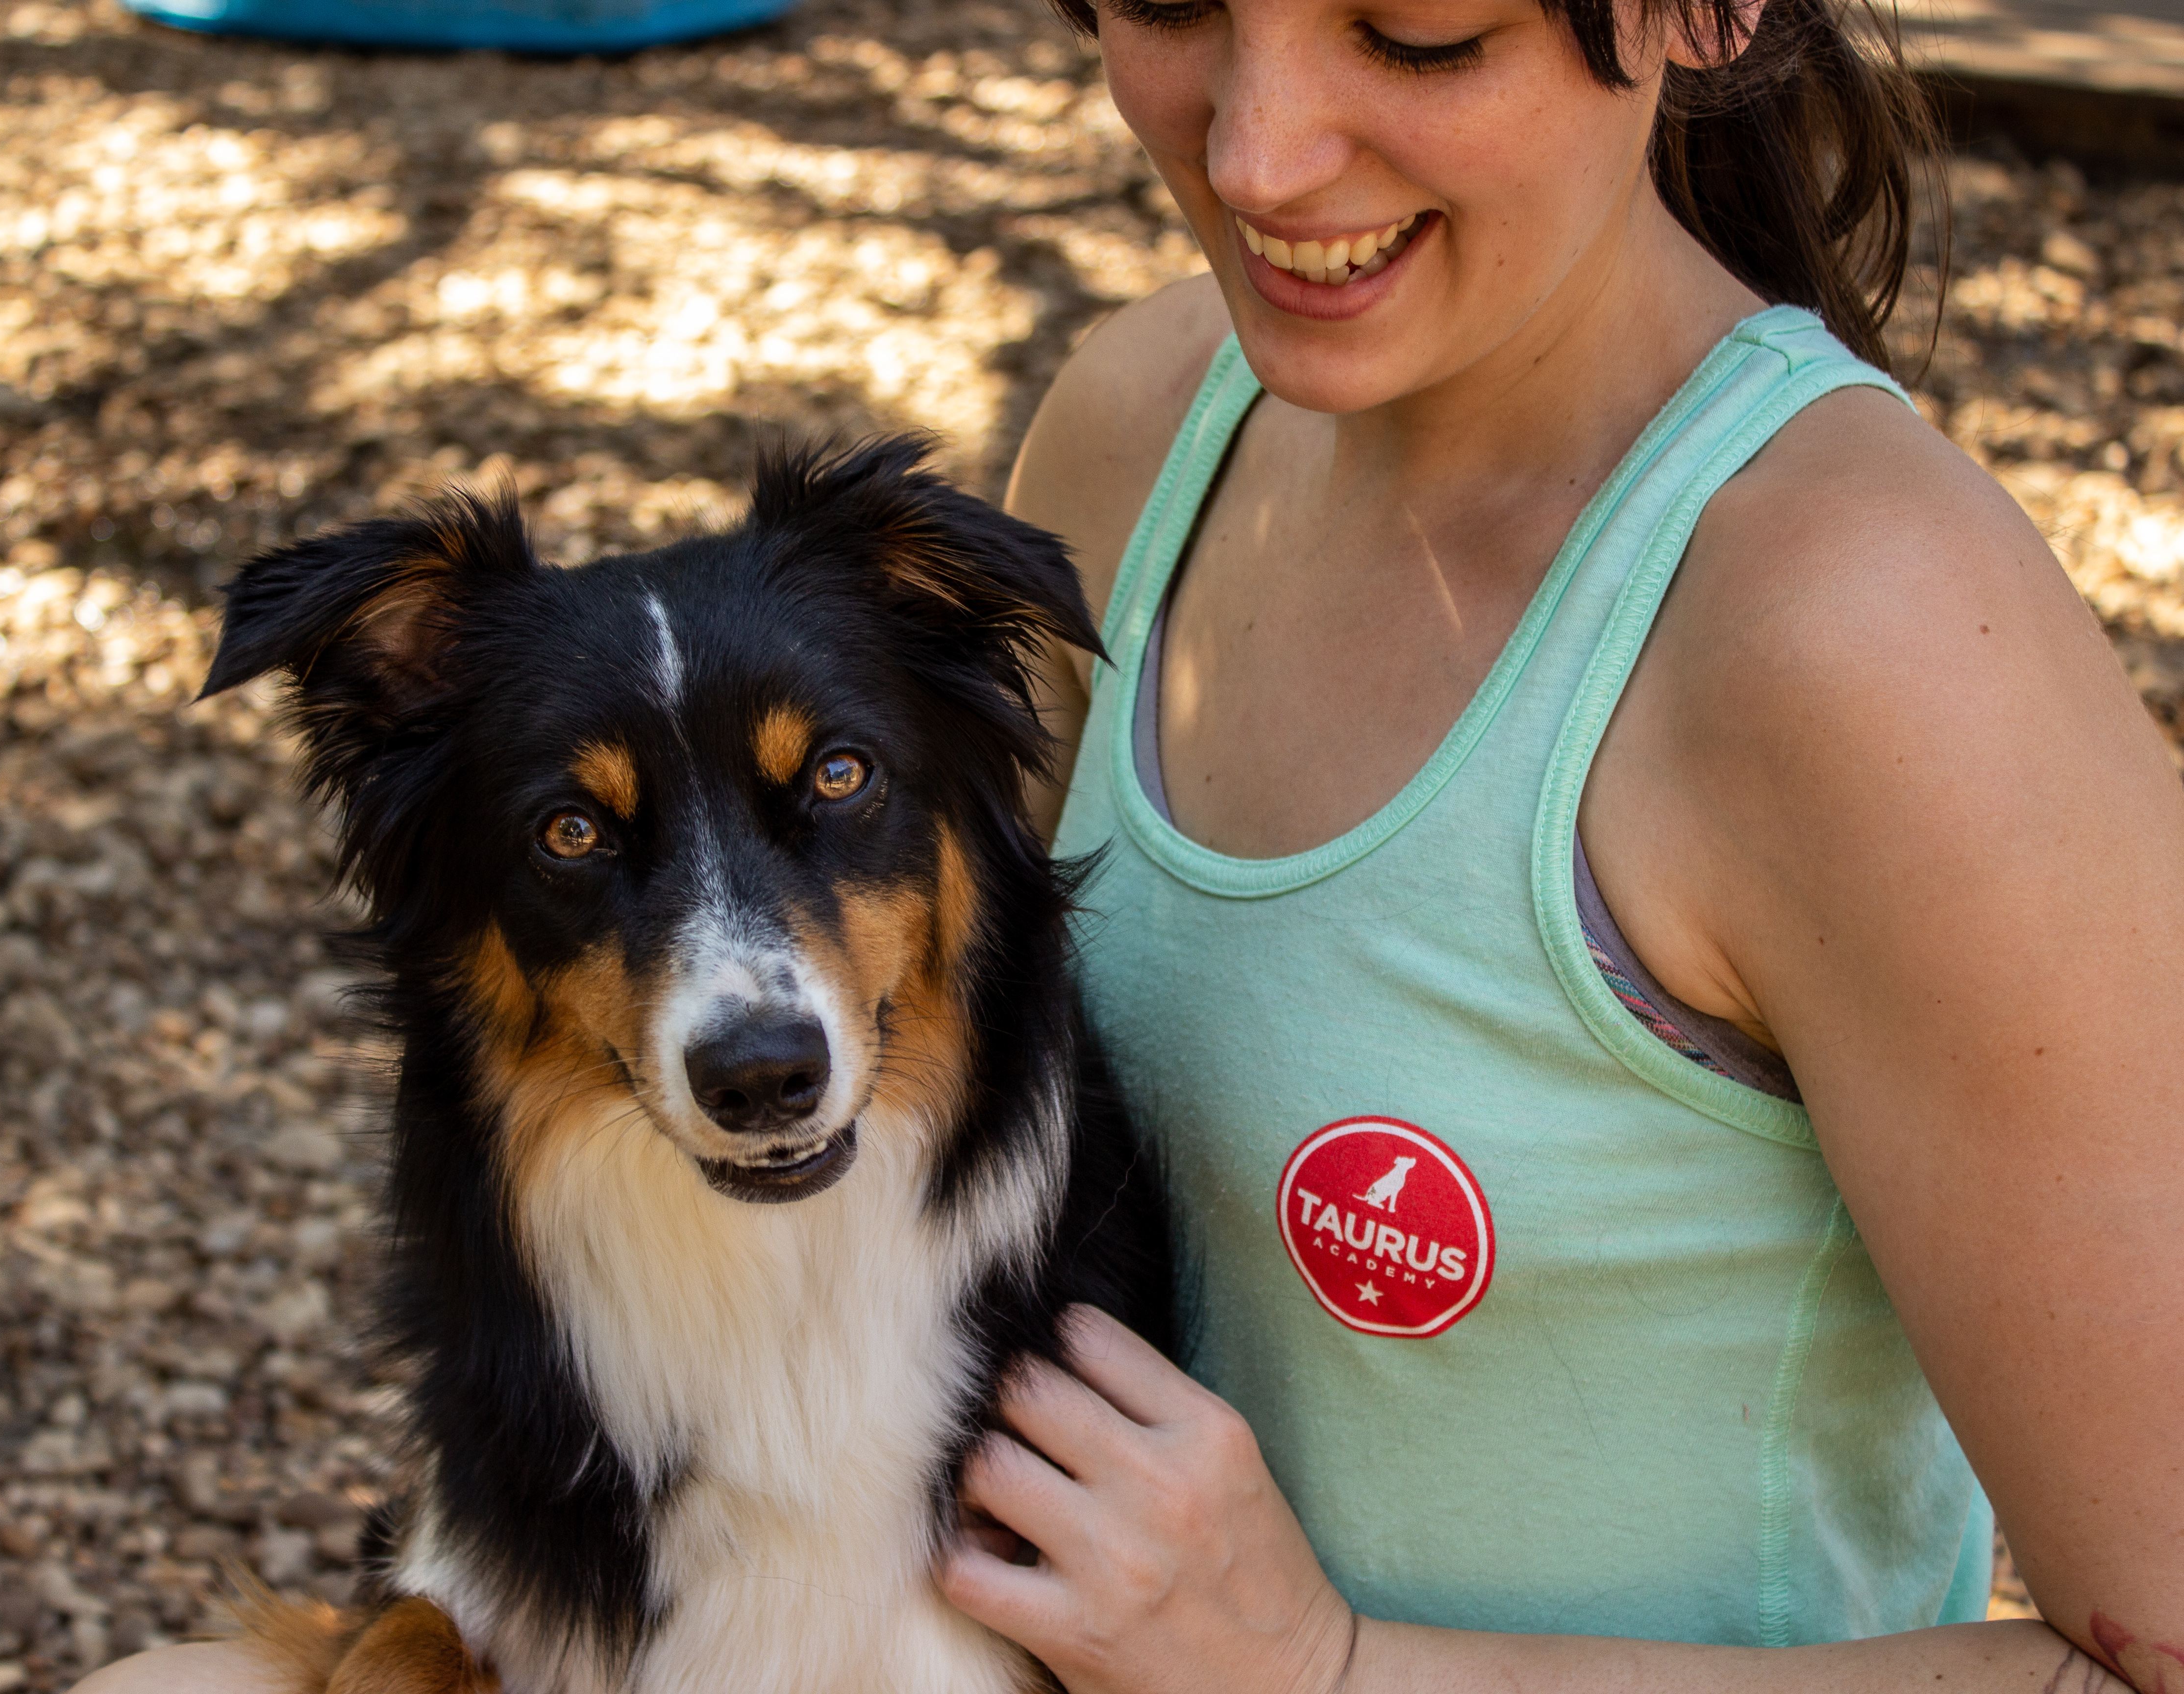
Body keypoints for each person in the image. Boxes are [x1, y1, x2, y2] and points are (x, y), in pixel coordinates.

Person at [923, 0, 2184, 1686]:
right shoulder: (1132, 430)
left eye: (1416, 32)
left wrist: (1330, 1671)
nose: (1256, 157)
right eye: (1171, 2)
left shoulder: (1871, 639)